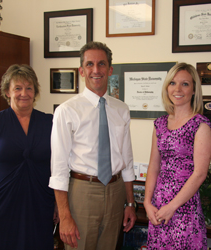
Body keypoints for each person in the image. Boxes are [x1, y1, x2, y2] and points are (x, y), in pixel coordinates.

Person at [49, 41, 137, 250]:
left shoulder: (121, 109)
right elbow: (59, 167)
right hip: (82, 192)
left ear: (110, 69)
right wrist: (64, 215)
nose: (95, 70)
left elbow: (127, 160)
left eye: (101, 64)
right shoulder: (66, 111)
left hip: (116, 193)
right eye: (89, 64)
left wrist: (131, 203)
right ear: (81, 70)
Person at [0, 64, 57, 250]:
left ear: (35, 92)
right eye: (17, 88)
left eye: (29, 88)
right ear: (7, 92)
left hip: (40, 206)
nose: (24, 93)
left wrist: (59, 204)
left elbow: (59, 167)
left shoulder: (50, 122)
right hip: (0, 207)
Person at [144, 62, 211, 249]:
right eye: (173, 83)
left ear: (193, 90)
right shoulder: (159, 124)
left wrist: (172, 206)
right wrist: (147, 202)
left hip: (184, 207)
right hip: (158, 206)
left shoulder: (200, 124)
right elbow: (154, 166)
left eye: (185, 84)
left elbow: (199, 174)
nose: (178, 89)